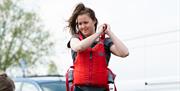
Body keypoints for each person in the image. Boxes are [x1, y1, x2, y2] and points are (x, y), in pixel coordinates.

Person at [66, 2, 129, 91]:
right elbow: (79, 47)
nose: (83, 26)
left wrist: (109, 32)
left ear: (94, 21)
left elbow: (125, 52)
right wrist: (98, 33)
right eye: (80, 24)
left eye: (86, 22)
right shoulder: (75, 39)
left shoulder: (105, 42)